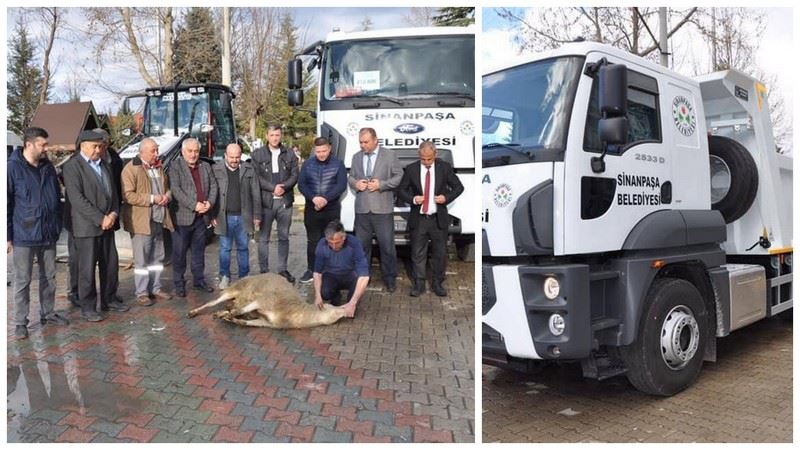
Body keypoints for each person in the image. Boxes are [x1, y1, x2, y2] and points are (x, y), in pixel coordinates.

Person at [8, 127, 68, 338]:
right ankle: (20, 322)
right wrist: (7, 236)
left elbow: (56, 197)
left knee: (49, 276)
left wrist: (58, 223)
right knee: (23, 280)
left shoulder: (48, 167)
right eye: (43, 144)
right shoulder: (11, 168)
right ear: (29, 144)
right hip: (24, 234)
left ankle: (48, 312)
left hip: (48, 232)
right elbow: (6, 204)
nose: (46, 148)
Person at [63, 129, 128, 322]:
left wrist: (114, 212)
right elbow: (77, 199)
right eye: (94, 146)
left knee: (110, 264)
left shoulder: (104, 165)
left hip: (108, 224)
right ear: (83, 146)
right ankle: (88, 306)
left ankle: (110, 298)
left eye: (100, 146)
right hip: (86, 227)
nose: (98, 150)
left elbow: (113, 192)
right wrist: (101, 218)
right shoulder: (73, 167)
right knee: (87, 268)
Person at [397, 141, 464, 297]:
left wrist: (445, 197)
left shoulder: (444, 167)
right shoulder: (412, 169)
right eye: (423, 159)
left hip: (437, 219)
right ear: (419, 155)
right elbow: (401, 190)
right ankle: (419, 284)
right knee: (417, 253)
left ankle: (437, 283)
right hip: (419, 218)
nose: (426, 162)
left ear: (435, 154)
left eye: (429, 159)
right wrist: (413, 199)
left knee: (439, 253)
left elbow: (459, 187)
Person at [348, 127, 403, 292]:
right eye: (360, 142)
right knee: (362, 247)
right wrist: (355, 184)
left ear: (375, 140)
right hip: (362, 209)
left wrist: (382, 185)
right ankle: (364, 278)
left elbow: (398, 176)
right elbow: (351, 176)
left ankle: (390, 278)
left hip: (382, 209)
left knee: (387, 247)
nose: (362, 145)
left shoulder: (389, 155)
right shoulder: (356, 157)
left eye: (365, 142)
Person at [121, 137, 174, 306]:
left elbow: (167, 188)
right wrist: (152, 198)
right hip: (141, 222)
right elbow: (128, 195)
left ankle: (156, 288)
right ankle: (142, 292)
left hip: (159, 219)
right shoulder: (131, 169)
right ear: (142, 151)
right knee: (142, 260)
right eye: (153, 151)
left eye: (157, 150)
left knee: (158, 257)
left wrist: (167, 196)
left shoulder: (158, 168)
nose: (156, 153)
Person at [168, 137, 218, 297]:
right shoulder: (175, 167)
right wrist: (193, 204)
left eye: (196, 151)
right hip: (182, 218)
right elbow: (176, 190)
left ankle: (199, 280)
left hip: (201, 218)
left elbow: (214, 186)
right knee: (179, 253)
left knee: (198, 252)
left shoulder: (205, 166)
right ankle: (179, 284)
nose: (193, 154)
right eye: (190, 151)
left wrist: (209, 203)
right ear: (183, 152)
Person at [250, 124, 299, 283]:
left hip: (285, 201)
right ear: (267, 136)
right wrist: (273, 188)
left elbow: (294, 175)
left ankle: (282, 269)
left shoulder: (289, 153)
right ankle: (264, 270)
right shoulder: (257, 155)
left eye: (277, 135)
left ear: (281, 136)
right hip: (266, 202)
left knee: (284, 237)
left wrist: (283, 187)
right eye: (272, 135)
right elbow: (256, 177)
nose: (275, 138)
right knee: (264, 238)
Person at [297, 136, 347, 284]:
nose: (321, 154)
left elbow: (341, 185)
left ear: (329, 149)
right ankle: (311, 270)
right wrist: (313, 198)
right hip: (312, 209)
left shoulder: (338, 164)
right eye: (318, 151)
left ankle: (331, 270)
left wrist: (326, 198)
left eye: (324, 151)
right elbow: (302, 184)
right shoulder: (307, 164)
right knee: (312, 241)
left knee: (333, 240)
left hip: (331, 209)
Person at [211, 143, 261, 289]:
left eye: (237, 157)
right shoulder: (216, 169)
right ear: (225, 155)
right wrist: (211, 215)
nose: (234, 160)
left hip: (243, 216)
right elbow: (212, 193)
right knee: (225, 248)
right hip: (223, 216)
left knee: (243, 248)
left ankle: (244, 278)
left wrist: (257, 215)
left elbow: (256, 194)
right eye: (231, 157)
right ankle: (225, 276)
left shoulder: (249, 169)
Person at [312, 220, 369, 318]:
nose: (334, 246)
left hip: (350, 275)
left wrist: (352, 303)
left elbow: (364, 276)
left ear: (344, 237)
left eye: (337, 243)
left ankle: (351, 302)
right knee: (324, 292)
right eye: (330, 243)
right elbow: (317, 273)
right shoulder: (322, 244)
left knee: (355, 293)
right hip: (331, 275)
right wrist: (317, 295)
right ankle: (336, 296)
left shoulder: (354, 243)